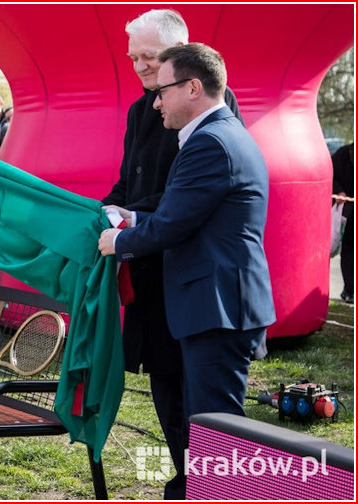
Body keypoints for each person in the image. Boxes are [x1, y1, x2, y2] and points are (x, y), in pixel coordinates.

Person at [98, 44, 276, 485]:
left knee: (217, 434)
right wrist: (133, 216)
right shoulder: (212, 135)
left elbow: (171, 226)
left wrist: (117, 241)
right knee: (209, 429)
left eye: (163, 90)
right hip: (213, 304)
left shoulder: (210, 141)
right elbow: (186, 211)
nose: (156, 101)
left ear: (193, 87)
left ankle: (219, 492)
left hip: (218, 308)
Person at [332, 142, 354, 304]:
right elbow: (330, 174)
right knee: (348, 250)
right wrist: (338, 190)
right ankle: (349, 289)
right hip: (347, 209)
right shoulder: (342, 155)